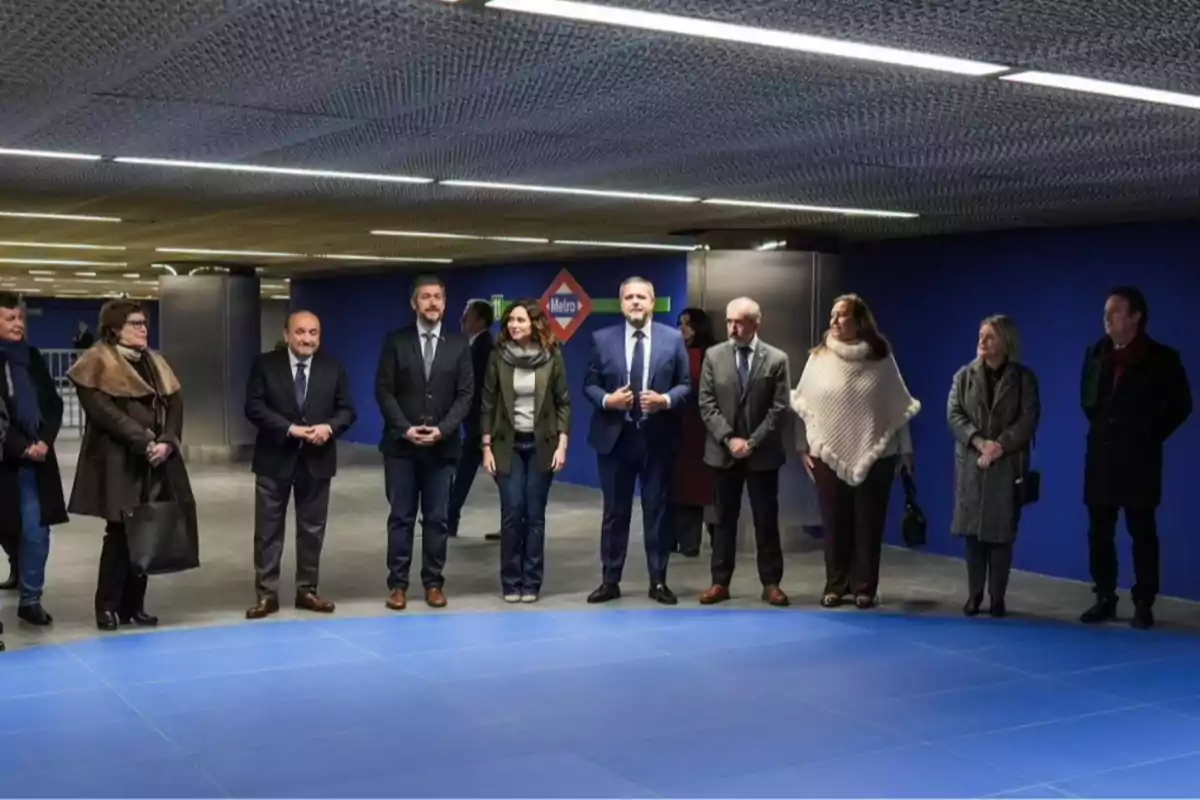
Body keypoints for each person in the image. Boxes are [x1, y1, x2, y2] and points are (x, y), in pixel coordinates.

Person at [67, 299, 195, 631]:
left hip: (155, 458)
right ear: (114, 329)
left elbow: (175, 403)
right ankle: (107, 607)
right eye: (135, 323)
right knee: (119, 531)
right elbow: (103, 412)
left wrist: (168, 440)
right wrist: (144, 441)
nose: (143, 329)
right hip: (118, 459)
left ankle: (133, 606)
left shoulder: (154, 361)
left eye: (143, 323)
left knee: (146, 530)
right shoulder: (95, 361)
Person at [791, 294, 919, 609]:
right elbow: (803, 404)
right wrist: (803, 446)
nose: (833, 321)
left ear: (859, 321)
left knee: (868, 524)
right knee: (835, 524)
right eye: (832, 315)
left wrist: (906, 450)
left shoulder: (880, 356)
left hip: (878, 456)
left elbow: (897, 408)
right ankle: (835, 585)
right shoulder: (819, 357)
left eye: (841, 316)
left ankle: (864, 587)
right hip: (826, 453)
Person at [1080, 287, 1191, 629]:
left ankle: (1144, 602)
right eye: (1105, 311)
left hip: (1139, 459)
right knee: (1100, 532)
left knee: (1142, 531)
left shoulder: (1162, 358)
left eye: (1114, 311)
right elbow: (1087, 400)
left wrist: (1147, 433)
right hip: (1101, 458)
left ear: (1135, 317)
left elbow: (1181, 406)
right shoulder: (1095, 352)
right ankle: (1104, 598)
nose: (1106, 318)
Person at [583, 276, 691, 605]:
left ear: (652, 302)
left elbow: (685, 384)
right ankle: (610, 579)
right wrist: (607, 401)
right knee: (615, 513)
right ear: (621, 304)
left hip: (657, 438)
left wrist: (666, 400)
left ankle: (658, 581)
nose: (635, 302)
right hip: (616, 439)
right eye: (629, 297)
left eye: (641, 297)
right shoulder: (602, 339)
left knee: (657, 511)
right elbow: (589, 383)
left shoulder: (673, 340)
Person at [243, 310, 357, 619]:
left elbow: (347, 410)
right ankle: (267, 595)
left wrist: (329, 428)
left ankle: (308, 590)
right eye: (300, 332)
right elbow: (253, 407)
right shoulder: (265, 365)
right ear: (287, 334)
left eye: (313, 333)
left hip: (317, 461)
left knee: (312, 530)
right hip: (274, 458)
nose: (307, 339)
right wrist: (288, 428)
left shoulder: (333, 368)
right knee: (267, 531)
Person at [375, 275, 473, 610]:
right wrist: (405, 429)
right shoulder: (395, 341)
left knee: (437, 519)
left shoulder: (459, 345)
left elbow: (465, 395)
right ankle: (398, 585)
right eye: (425, 297)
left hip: (442, 449)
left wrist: (443, 430)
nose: (432, 303)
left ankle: (433, 583)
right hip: (401, 449)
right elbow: (384, 391)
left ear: (445, 304)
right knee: (401, 517)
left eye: (438, 297)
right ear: (414, 303)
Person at [697, 297, 791, 606]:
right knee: (723, 519)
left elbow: (779, 409)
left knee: (766, 518)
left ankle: (771, 583)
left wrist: (751, 442)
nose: (732, 328)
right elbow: (706, 404)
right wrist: (729, 439)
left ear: (755, 323)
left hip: (762, 454)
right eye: (729, 321)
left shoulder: (777, 359)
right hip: (722, 453)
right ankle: (720, 582)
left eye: (739, 322)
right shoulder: (713, 356)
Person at [947, 315, 1040, 618]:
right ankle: (974, 595)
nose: (982, 341)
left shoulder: (1023, 378)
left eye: (989, 336)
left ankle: (997, 597)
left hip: (1006, 466)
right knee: (973, 536)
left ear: (1005, 341)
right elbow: (954, 414)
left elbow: (1028, 418)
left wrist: (999, 445)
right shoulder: (964, 376)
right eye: (980, 335)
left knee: (1001, 535)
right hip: (973, 465)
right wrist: (978, 442)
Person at [481, 299, 570, 602]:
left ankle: (531, 582)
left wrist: (562, 444)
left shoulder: (551, 356)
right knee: (512, 512)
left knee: (535, 515)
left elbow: (563, 403)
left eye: (520, 320)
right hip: (508, 445)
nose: (514, 325)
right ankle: (510, 581)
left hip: (541, 445)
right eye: (510, 321)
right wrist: (486, 447)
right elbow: (488, 404)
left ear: (534, 324)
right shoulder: (498, 357)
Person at [0, 292, 69, 627]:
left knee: (35, 530)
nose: (18, 324)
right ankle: (16, 567)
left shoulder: (32, 357)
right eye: (9, 319)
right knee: (10, 528)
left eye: (20, 318)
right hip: (6, 457)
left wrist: (44, 440)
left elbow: (53, 404)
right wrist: (19, 446)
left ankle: (31, 598)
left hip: (35, 462)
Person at [670, 307, 717, 557]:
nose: (682, 328)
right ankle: (674, 540)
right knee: (676, 487)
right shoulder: (675, 352)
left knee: (696, 488)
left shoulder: (710, 355)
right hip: (675, 428)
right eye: (679, 323)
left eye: (687, 324)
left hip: (700, 430)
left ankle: (691, 542)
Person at [448, 298, 496, 539]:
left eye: (467, 315)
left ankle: (449, 520)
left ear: (480, 320)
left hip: (482, 425)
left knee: (466, 473)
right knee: (464, 473)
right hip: (476, 425)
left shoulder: (485, 347)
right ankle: (449, 519)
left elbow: (479, 389)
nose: (462, 319)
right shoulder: (475, 345)